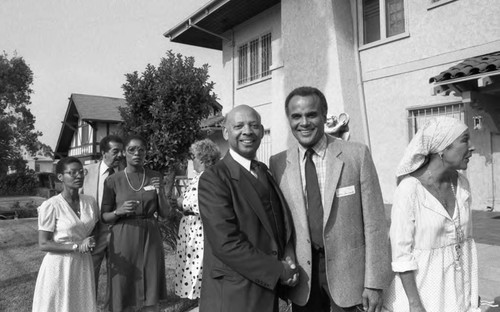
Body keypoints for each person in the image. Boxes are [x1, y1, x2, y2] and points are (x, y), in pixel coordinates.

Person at [269, 87, 392, 312]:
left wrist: (374, 283)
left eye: (311, 114)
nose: (304, 122)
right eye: (296, 116)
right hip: (303, 279)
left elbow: (375, 224)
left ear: (324, 116)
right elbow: (279, 225)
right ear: (289, 120)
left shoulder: (356, 155)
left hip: (350, 277)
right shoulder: (277, 164)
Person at [198, 105, 299, 312]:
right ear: (226, 133)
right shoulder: (214, 178)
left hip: (266, 290)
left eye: (254, 126)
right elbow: (226, 243)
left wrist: (288, 257)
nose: (247, 131)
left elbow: (279, 224)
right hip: (235, 293)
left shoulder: (264, 171)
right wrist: (279, 270)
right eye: (238, 126)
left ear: (262, 132)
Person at [383, 116, 479, 312]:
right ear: (443, 148)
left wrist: (469, 290)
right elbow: (401, 254)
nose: (472, 147)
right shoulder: (409, 190)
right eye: (465, 140)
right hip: (423, 293)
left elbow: (465, 243)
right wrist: (415, 304)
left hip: (457, 292)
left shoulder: (462, 185)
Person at [101, 134, 170, 312]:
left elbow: (165, 213)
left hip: (150, 234)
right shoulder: (113, 181)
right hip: (124, 234)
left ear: (146, 153)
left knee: (150, 279)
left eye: (141, 149)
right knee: (124, 281)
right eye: (132, 149)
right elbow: (104, 217)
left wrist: (161, 192)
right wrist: (119, 211)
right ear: (124, 153)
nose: (137, 153)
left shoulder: (155, 177)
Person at [32, 157, 98, 312]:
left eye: (81, 172)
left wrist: (90, 240)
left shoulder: (90, 202)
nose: (79, 176)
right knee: (59, 305)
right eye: (72, 172)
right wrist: (76, 246)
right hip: (59, 265)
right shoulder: (51, 205)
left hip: (82, 264)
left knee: (80, 304)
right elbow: (43, 243)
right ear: (60, 177)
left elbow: (94, 228)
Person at [174, 139, 221, 302]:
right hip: (191, 231)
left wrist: (181, 202)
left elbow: (192, 203)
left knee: (198, 271)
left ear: (202, 158)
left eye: (193, 156)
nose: (191, 160)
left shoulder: (207, 178)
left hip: (199, 233)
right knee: (192, 270)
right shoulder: (198, 178)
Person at [81, 134, 124, 297]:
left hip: (120, 230)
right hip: (94, 231)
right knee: (90, 274)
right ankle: (89, 306)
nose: (120, 155)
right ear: (104, 153)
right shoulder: (86, 173)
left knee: (119, 275)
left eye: (121, 151)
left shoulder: (126, 173)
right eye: (115, 151)